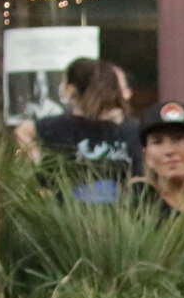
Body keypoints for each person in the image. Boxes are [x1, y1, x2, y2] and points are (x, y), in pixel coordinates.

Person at [16, 59, 136, 203]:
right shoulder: (62, 126)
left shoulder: (131, 129)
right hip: (72, 213)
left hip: (121, 213)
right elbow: (23, 131)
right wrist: (39, 169)